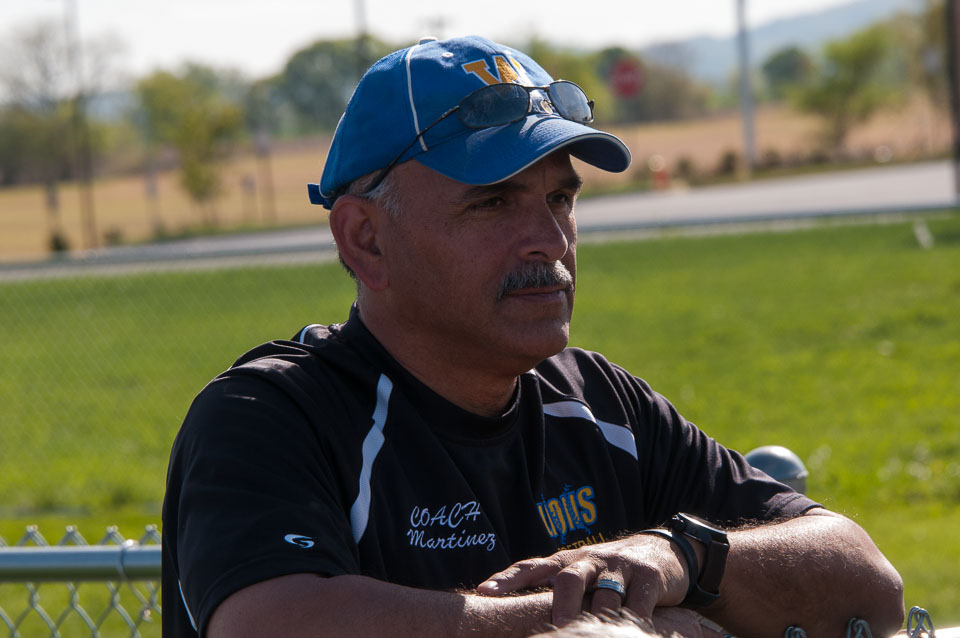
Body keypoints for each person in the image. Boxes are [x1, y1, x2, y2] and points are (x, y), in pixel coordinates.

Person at [161, 36, 903, 638]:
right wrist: (610, 625)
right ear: (366, 241)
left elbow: (870, 585)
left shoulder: (602, 405)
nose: (549, 239)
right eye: (493, 204)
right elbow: (273, 625)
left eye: (560, 198)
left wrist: (679, 559)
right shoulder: (270, 416)